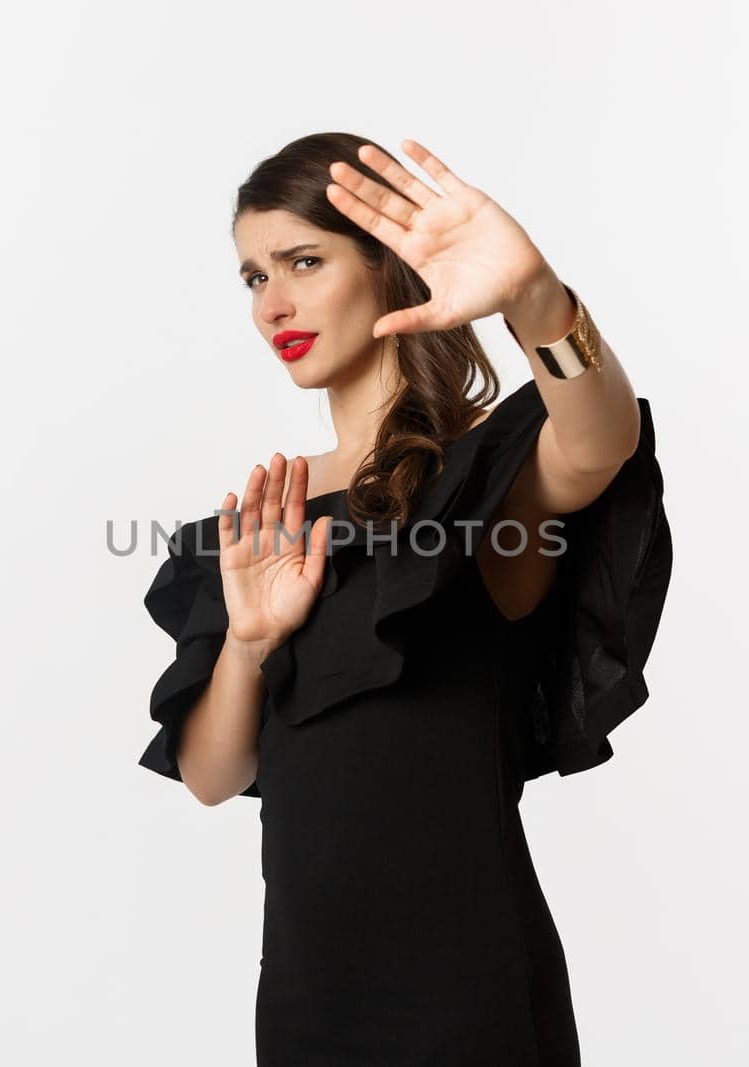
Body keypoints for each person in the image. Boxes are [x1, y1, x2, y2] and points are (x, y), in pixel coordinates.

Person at [137, 132, 673, 1067]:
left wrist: (537, 300)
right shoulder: (270, 515)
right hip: (309, 999)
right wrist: (251, 641)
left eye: (304, 262)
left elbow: (598, 444)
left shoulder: (486, 477)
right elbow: (212, 775)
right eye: (254, 277)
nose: (275, 304)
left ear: (389, 270)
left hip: (469, 995)